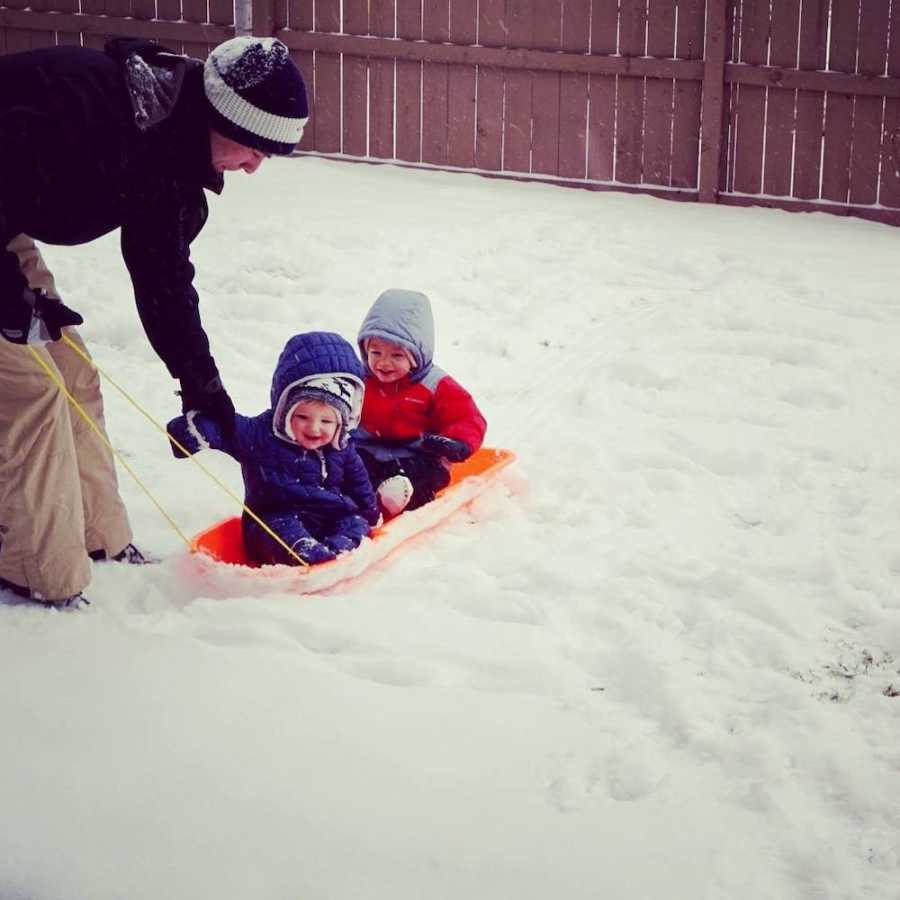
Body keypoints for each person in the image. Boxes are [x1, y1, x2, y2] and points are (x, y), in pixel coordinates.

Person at [0, 35, 309, 606]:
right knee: (29, 395)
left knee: (73, 374)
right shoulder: (92, 108)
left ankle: (97, 539)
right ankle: (33, 567)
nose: (253, 168)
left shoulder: (170, 158)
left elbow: (164, 279)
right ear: (226, 119)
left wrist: (201, 384)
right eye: (256, 149)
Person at [167, 332, 379, 566]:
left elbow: (359, 484)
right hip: (276, 515)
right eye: (302, 416)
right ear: (284, 409)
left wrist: (371, 515)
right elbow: (227, 429)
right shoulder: (261, 434)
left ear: (342, 421)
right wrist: (195, 430)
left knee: (355, 523)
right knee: (278, 529)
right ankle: (305, 551)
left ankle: (340, 550)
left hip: (330, 515)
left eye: (327, 422)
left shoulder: (341, 446)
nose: (314, 428)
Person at [355, 289, 487, 517]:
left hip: (418, 454)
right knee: (350, 468)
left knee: (423, 476)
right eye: (376, 352)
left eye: (397, 356)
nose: (384, 363)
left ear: (417, 355)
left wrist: (457, 442)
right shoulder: (358, 378)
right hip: (367, 450)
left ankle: (399, 500)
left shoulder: (436, 384)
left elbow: (467, 417)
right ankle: (358, 501)